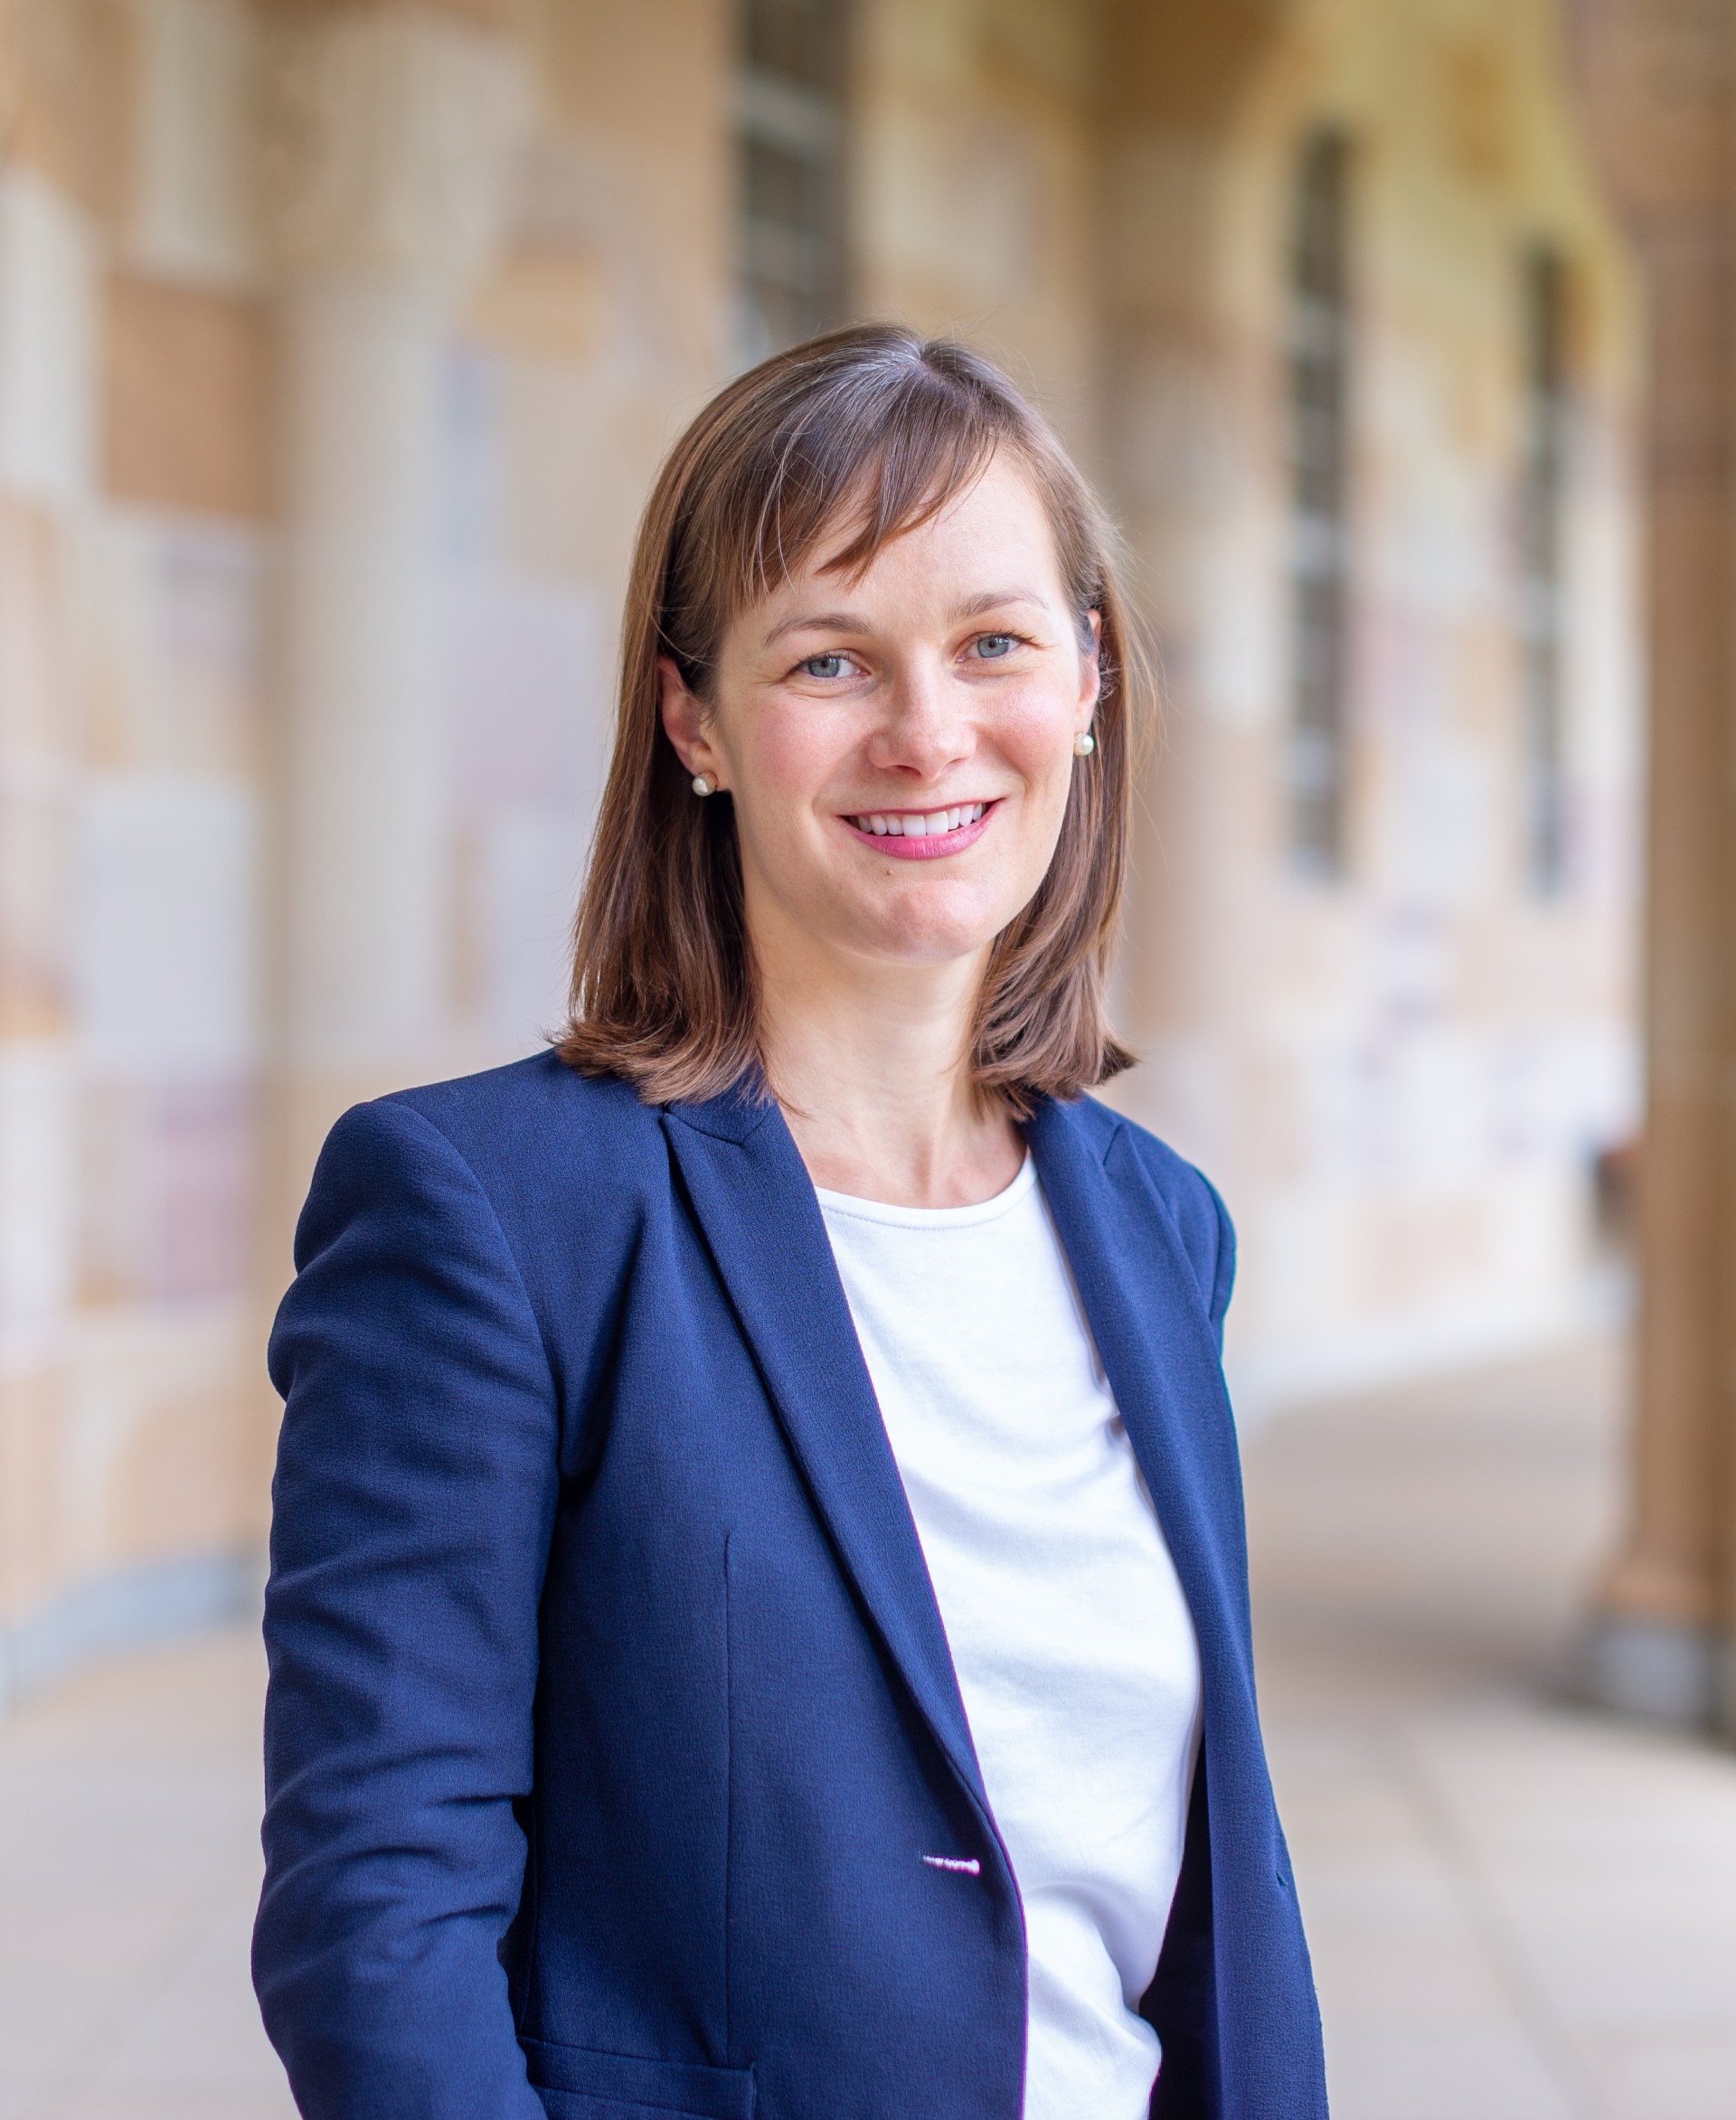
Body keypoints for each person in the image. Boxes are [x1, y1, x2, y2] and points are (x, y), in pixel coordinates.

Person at [254, 325, 1328, 2120]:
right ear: (694, 719)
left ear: (1086, 679)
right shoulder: (491, 1216)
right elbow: (380, 1907)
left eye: (994, 642)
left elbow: (1181, 1875)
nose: (928, 732)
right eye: (830, 657)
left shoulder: (1160, 1229)